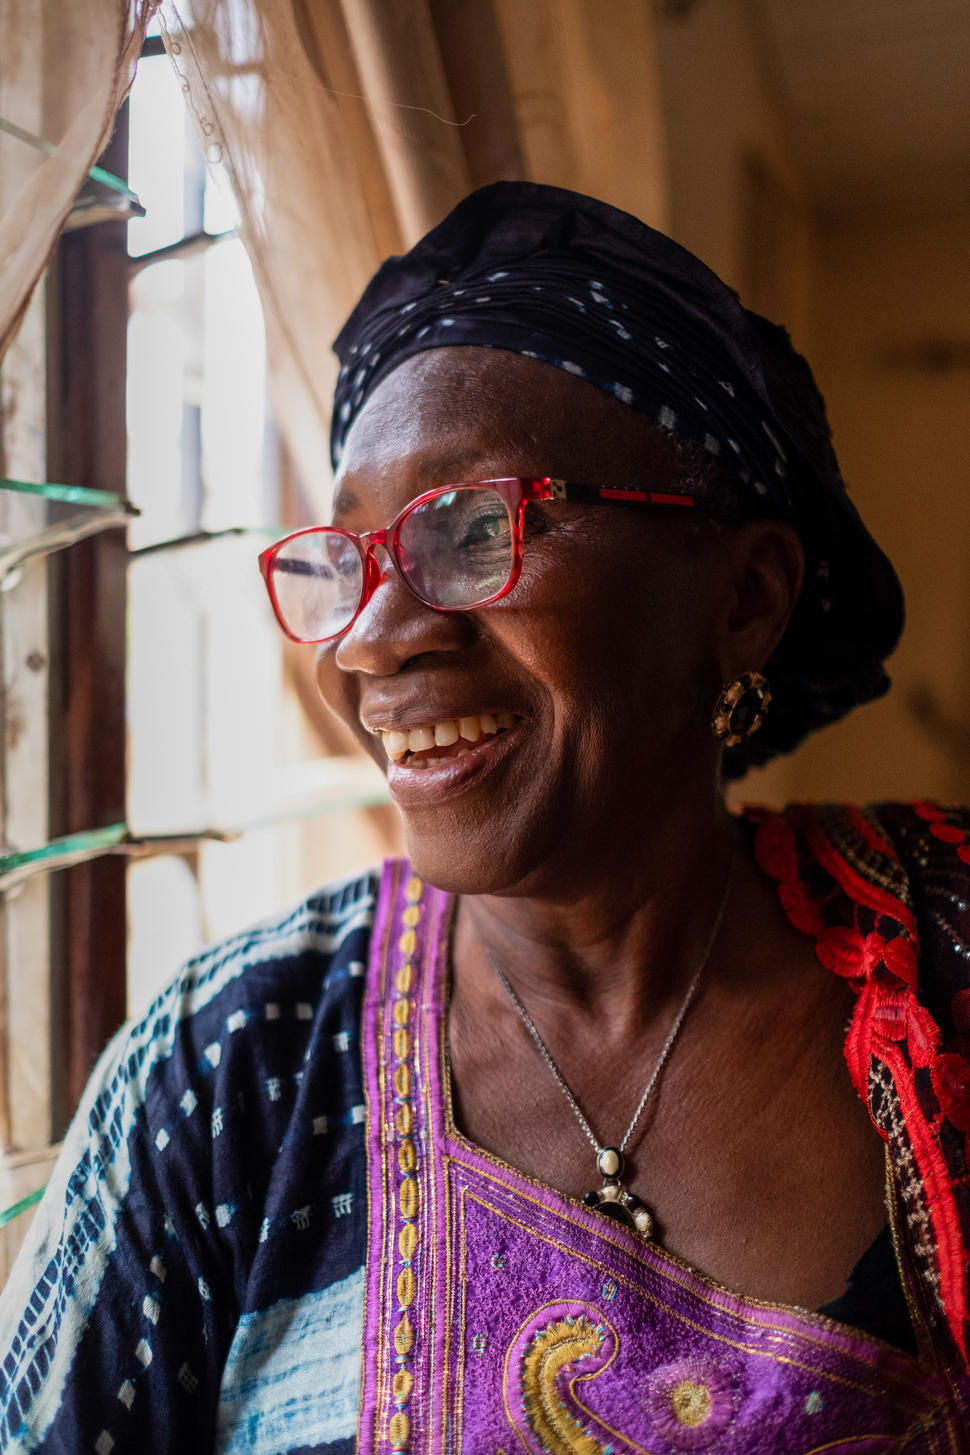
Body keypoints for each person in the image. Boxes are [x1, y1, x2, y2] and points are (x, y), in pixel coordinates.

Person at [2, 181, 969, 1451]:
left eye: (475, 528)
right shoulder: (229, 1070)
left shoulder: (941, 958)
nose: (375, 641)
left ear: (743, 597)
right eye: (347, 558)